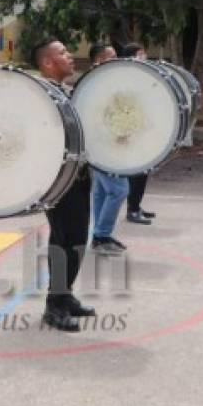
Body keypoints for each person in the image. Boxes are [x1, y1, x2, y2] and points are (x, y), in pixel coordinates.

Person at [32, 37, 96, 332]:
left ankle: (65, 294)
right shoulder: (40, 96)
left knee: (78, 241)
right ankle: (53, 306)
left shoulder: (67, 92)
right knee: (63, 241)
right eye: (63, 53)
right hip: (58, 182)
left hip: (79, 176)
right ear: (47, 63)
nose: (71, 56)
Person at [87, 42, 129, 254]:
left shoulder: (104, 81)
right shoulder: (94, 84)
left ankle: (100, 235)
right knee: (120, 190)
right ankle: (101, 236)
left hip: (104, 146)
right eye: (111, 57)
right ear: (98, 61)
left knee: (102, 191)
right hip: (102, 147)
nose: (117, 60)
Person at [121, 42, 156, 225]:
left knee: (143, 172)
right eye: (141, 54)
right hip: (132, 132)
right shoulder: (126, 78)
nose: (145, 57)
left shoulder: (140, 76)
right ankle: (132, 210)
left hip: (141, 130)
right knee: (137, 173)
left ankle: (136, 205)